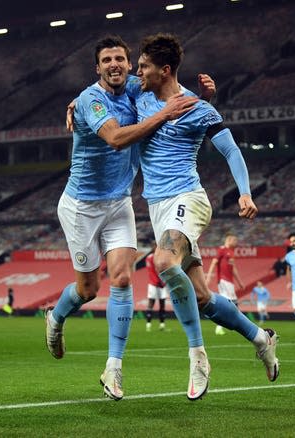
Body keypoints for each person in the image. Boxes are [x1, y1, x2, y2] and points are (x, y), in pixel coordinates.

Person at [45, 35, 207, 401]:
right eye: (107, 60)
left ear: (129, 64)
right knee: (88, 290)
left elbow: (168, 87)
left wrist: (206, 96)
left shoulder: (136, 86)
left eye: (120, 58)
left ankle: (113, 369)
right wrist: (162, 114)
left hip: (119, 203)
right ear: (97, 68)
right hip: (80, 207)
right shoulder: (91, 99)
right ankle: (55, 318)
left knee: (120, 278)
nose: (115, 64)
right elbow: (117, 138)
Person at [135, 33, 280, 397]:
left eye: (144, 66)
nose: (138, 72)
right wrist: (77, 103)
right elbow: (105, 94)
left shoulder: (199, 109)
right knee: (201, 297)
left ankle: (198, 356)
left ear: (164, 70)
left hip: (188, 198)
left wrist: (245, 192)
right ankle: (261, 337)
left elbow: (231, 151)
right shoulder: (139, 99)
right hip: (157, 207)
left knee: (164, 262)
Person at [206, 232, 246, 335]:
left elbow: (233, 269)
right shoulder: (222, 249)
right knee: (230, 303)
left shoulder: (231, 252)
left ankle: (230, 325)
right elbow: (214, 262)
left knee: (232, 303)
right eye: (234, 240)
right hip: (223, 281)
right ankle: (222, 326)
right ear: (229, 240)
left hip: (230, 281)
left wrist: (239, 282)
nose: (236, 242)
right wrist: (209, 277)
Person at [145, 241, 168, 332]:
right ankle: (149, 325)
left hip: (159, 284)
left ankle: (160, 325)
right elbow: (154, 272)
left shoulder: (155, 258)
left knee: (160, 304)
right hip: (156, 284)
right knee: (152, 303)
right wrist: (160, 282)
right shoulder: (151, 258)